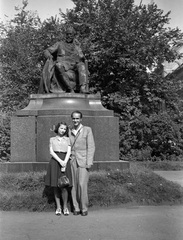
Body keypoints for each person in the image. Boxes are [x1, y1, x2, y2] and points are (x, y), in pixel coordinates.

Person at [39, 26, 88, 94]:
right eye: (67, 34)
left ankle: (82, 87)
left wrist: (81, 55)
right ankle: (70, 89)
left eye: (71, 34)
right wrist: (49, 56)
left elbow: (82, 57)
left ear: (73, 35)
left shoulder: (76, 46)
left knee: (82, 65)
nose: (69, 36)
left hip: (74, 65)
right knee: (58, 65)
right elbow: (46, 51)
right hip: (63, 64)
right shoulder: (59, 44)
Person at [69, 110, 95, 216]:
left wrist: (89, 162)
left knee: (82, 184)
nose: (75, 120)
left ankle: (84, 207)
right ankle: (76, 207)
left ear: (81, 119)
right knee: (73, 185)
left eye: (77, 118)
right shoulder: (69, 131)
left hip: (83, 160)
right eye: (74, 118)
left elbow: (91, 146)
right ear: (72, 119)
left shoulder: (87, 130)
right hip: (72, 160)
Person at [45, 122, 72, 216]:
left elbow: (69, 151)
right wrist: (60, 161)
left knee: (64, 186)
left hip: (65, 161)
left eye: (65, 129)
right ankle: (58, 207)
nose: (63, 130)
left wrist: (64, 162)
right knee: (56, 186)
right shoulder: (52, 139)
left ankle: (65, 207)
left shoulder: (68, 139)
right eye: (61, 128)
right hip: (55, 162)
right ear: (57, 128)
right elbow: (51, 152)